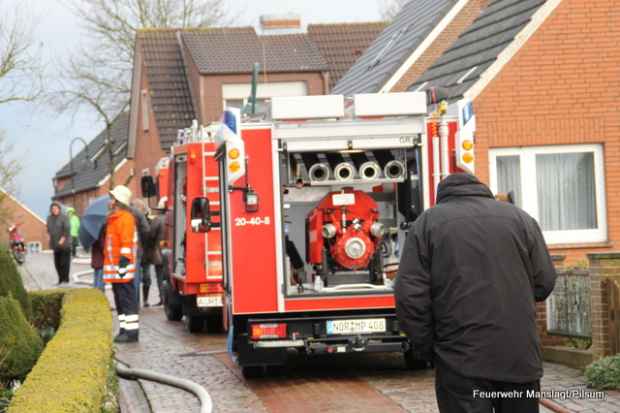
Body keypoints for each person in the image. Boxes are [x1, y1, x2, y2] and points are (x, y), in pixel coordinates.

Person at [395, 173, 557, 413]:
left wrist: (428, 347)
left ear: (442, 196)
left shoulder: (428, 224)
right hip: (519, 357)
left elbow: (410, 297)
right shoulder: (521, 219)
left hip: (460, 361)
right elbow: (544, 281)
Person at [104, 185, 140, 343]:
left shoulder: (125, 218)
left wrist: (123, 262)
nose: (109, 201)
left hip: (122, 268)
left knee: (127, 300)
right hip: (115, 269)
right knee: (119, 300)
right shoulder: (113, 219)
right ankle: (124, 329)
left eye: (112, 198)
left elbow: (126, 242)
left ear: (118, 201)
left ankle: (131, 333)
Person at [130, 198, 150, 307]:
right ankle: (135, 303)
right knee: (135, 278)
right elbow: (146, 230)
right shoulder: (137, 213)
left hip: (120, 251)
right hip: (136, 249)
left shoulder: (117, 212)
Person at [46, 202, 72, 285]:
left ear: (59, 209)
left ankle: (65, 280)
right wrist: (49, 237)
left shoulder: (64, 217)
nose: (54, 210)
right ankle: (60, 279)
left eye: (56, 208)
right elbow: (48, 229)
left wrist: (62, 239)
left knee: (64, 263)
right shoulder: (49, 218)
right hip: (55, 245)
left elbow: (67, 229)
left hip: (64, 245)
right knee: (57, 263)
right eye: (53, 209)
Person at [91, 226, 106, 292]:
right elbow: (103, 247)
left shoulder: (92, 233)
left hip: (95, 261)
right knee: (100, 283)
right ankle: (99, 298)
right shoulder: (101, 232)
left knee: (96, 280)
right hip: (101, 261)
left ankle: (95, 297)